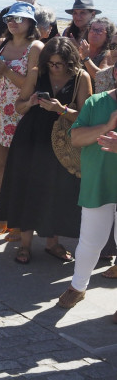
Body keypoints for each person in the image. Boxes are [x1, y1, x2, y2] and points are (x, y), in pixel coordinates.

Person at [0, 38, 92, 264]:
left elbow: (86, 118)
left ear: (70, 61)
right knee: (28, 187)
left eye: (59, 64)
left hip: (62, 142)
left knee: (57, 190)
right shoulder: (36, 74)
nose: (54, 68)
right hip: (31, 137)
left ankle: (52, 243)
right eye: (51, 63)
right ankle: (25, 245)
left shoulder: (81, 77)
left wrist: (61, 109)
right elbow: (19, 107)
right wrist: (30, 102)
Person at [0, 2, 44, 240]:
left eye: (19, 19)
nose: (13, 22)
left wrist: (6, 71)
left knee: (20, 167)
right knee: (1, 163)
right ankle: (3, 216)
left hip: (19, 111)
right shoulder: (0, 43)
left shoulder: (35, 47)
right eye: (9, 18)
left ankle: (19, 221)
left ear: (30, 23)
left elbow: (29, 87)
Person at [56, 85, 117, 310]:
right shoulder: (96, 102)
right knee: (90, 241)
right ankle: (77, 287)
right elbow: (77, 138)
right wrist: (107, 126)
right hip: (98, 184)